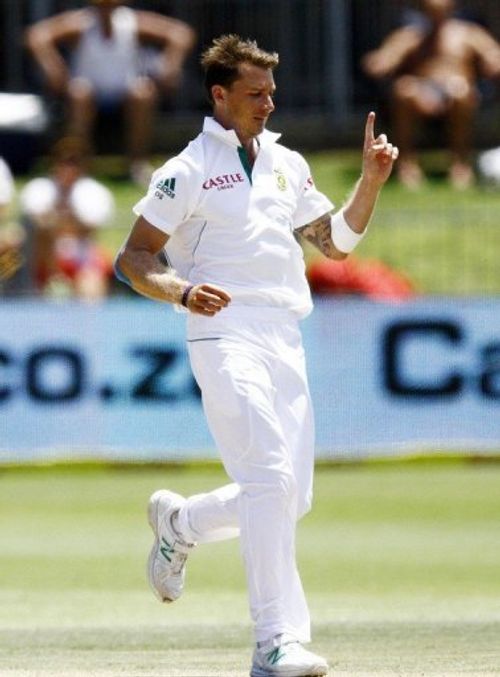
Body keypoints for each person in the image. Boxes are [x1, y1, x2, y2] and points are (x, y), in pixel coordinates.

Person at [115, 34, 398, 677]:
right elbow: (132, 260)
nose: (268, 104)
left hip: (284, 333)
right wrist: (182, 292)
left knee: (287, 497)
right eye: (255, 94)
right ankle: (275, 641)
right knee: (269, 479)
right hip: (221, 330)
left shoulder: (286, 162)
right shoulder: (183, 170)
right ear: (220, 96)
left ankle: (181, 523)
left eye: (271, 92)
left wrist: (371, 180)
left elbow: (335, 242)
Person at [25, 0, 196, 184]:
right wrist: (52, 67)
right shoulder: (81, 22)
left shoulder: (132, 21)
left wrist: (170, 65)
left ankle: (137, 164)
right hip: (88, 94)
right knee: (79, 93)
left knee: (143, 92)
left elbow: (181, 34)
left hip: (125, 93)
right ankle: (78, 165)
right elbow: (37, 35)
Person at [361, 0, 500, 189]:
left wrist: (492, 62)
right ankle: (407, 165)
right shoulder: (411, 36)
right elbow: (385, 58)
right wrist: (378, 62)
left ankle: (460, 165)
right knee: (404, 89)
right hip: (422, 94)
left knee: (460, 91)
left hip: (457, 91)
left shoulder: (469, 33)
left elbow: (493, 54)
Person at [20, 136, 115, 300]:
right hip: (42, 261)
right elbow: (39, 227)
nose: (68, 167)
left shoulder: (96, 192)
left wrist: (58, 218)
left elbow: (87, 229)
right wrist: (65, 221)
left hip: (81, 260)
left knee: (91, 288)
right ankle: (51, 280)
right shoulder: (37, 188)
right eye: (63, 160)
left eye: (74, 161)